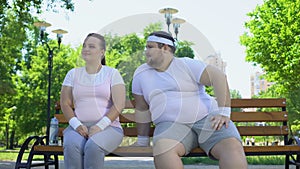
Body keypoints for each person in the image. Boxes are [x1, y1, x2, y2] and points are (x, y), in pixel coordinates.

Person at [131, 31, 248, 169]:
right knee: (163, 149)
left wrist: (223, 112)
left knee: (232, 147)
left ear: (165, 48)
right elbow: (142, 108)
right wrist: (143, 140)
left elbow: (219, 77)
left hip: (207, 119)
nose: (146, 51)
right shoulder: (140, 74)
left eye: (150, 47)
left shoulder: (186, 64)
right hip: (170, 125)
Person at [60, 33, 125, 169]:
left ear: (102, 52)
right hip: (78, 127)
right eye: (84, 46)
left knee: (93, 146)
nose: (86, 49)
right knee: (71, 145)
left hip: (109, 128)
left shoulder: (112, 74)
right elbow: (65, 103)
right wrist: (77, 125)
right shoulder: (72, 74)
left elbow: (119, 104)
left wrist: (99, 126)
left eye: (91, 46)